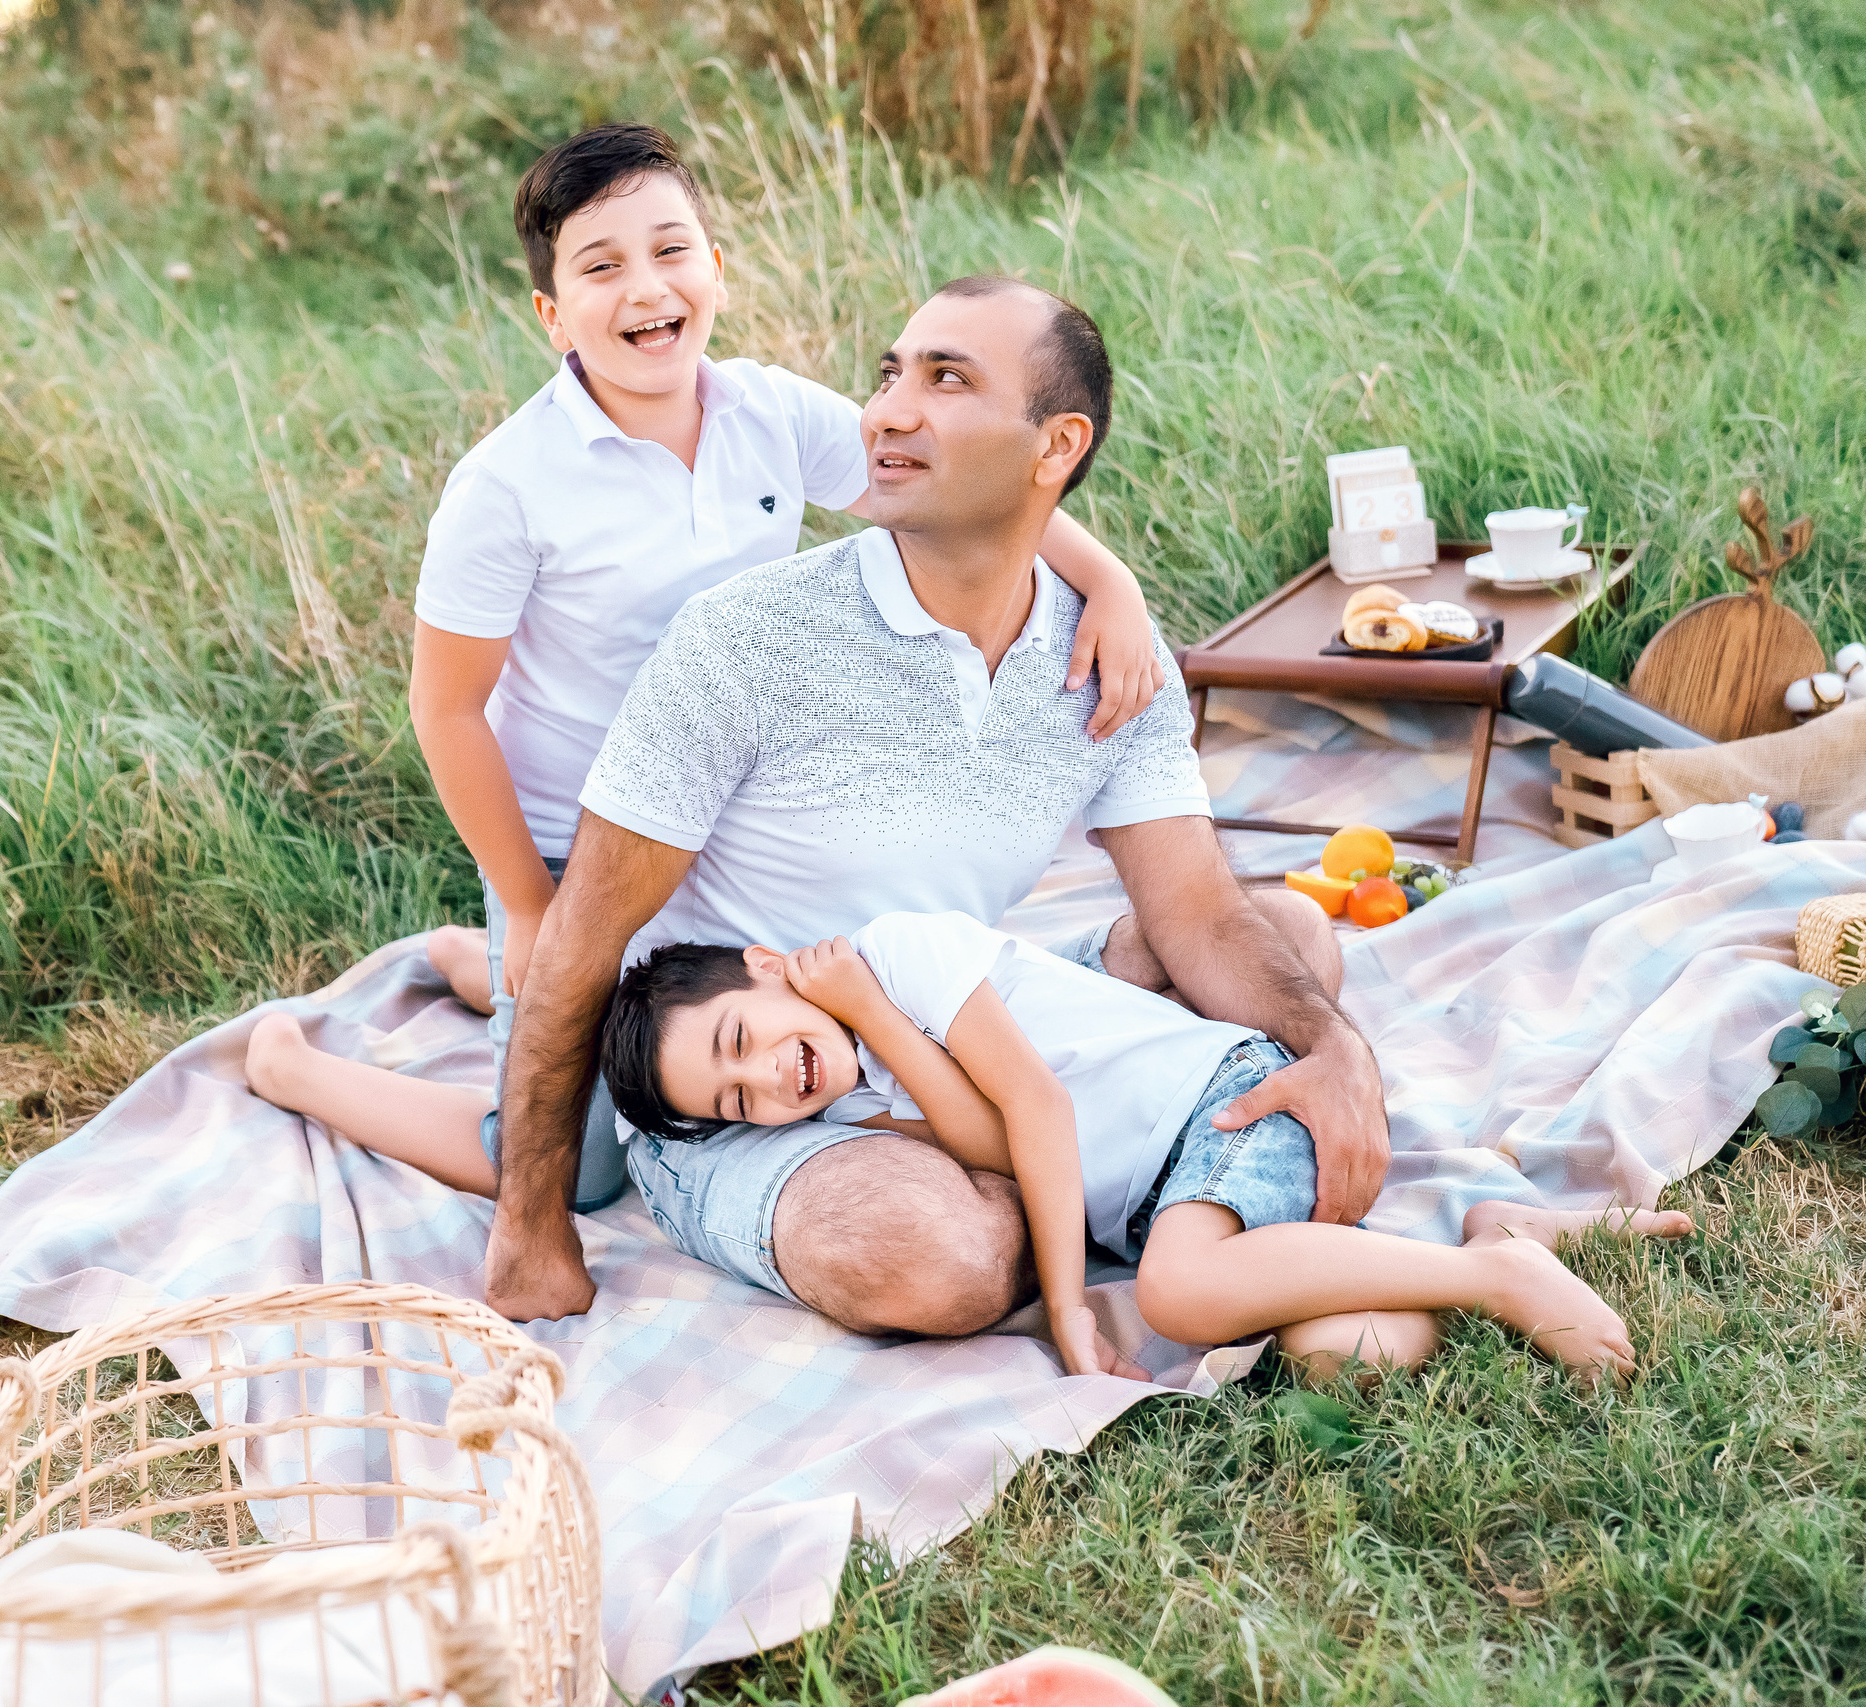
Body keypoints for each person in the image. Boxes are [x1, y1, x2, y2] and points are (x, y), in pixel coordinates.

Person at [247, 125, 1164, 1206]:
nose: (646, 288)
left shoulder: (766, 412)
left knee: (835, 1019)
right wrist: (531, 901)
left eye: (671, 250)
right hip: (574, 846)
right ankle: (308, 1059)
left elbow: (942, 488)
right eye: (600, 267)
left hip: (731, 818)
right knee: (573, 1167)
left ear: (715, 271)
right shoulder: (508, 487)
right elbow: (447, 710)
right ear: (553, 318)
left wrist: (1112, 585)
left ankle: (471, 961)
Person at [482, 276, 1377, 1331]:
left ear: (1056, 447)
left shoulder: (1108, 658)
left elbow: (1198, 916)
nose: (888, 410)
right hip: (770, 1081)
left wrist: (1339, 1057)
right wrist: (528, 1222)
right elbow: (583, 931)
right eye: (888, 374)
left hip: (956, 1007)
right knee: (931, 1259)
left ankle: (1086, 1179)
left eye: (945, 379)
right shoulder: (748, 638)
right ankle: (1076, 1190)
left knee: (1288, 936)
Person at [596, 918, 1693, 1377]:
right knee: (1350, 1352)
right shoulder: (848, 1097)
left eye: (740, 1041)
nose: (765, 1081)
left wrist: (1070, 1303)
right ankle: (1483, 1228)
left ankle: (1491, 1275)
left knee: (1174, 1291)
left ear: (768, 965)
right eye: (736, 1103)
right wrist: (872, 1046)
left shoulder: (902, 951)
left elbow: (1036, 1112)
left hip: (1220, 1105)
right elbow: (982, 1141)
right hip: (1174, 1182)